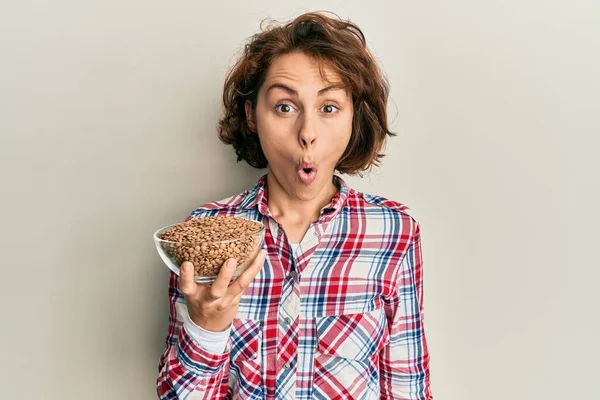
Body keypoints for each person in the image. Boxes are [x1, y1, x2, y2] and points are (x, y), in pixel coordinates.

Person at [156, 11, 433, 400]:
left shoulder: (393, 232)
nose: (307, 134)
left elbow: (407, 389)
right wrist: (206, 327)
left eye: (329, 107)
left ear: (355, 116)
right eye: (285, 107)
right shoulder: (207, 234)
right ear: (252, 115)